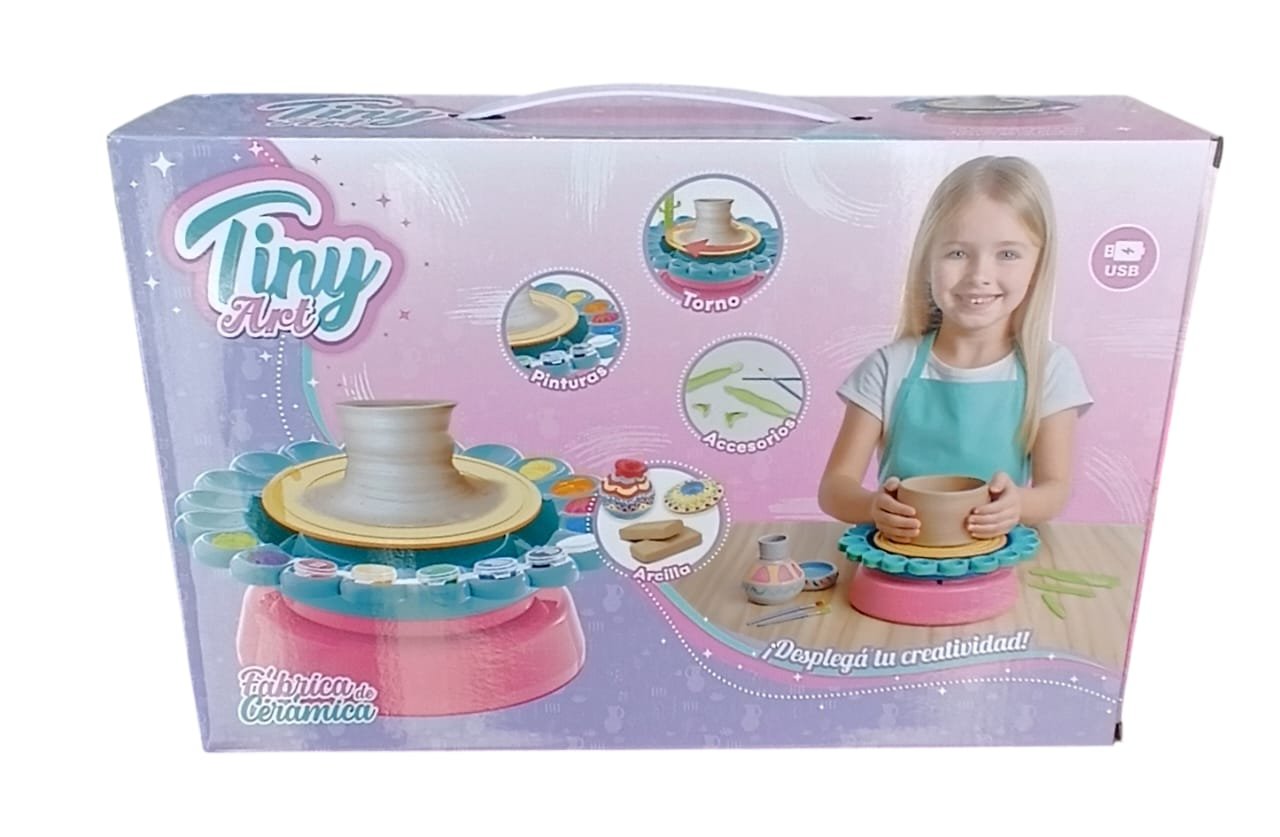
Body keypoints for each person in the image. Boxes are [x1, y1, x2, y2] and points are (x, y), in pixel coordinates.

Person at [818, 156, 1092, 541]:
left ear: (1038, 265)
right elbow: (834, 488)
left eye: (1007, 254)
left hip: (996, 556)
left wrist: (1018, 505)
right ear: (927, 259)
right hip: (902, 556)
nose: (979, 276)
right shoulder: (889, 367)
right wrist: (872, 507)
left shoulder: (1050, 368)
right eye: (958, 253)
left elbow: (1055, 489)